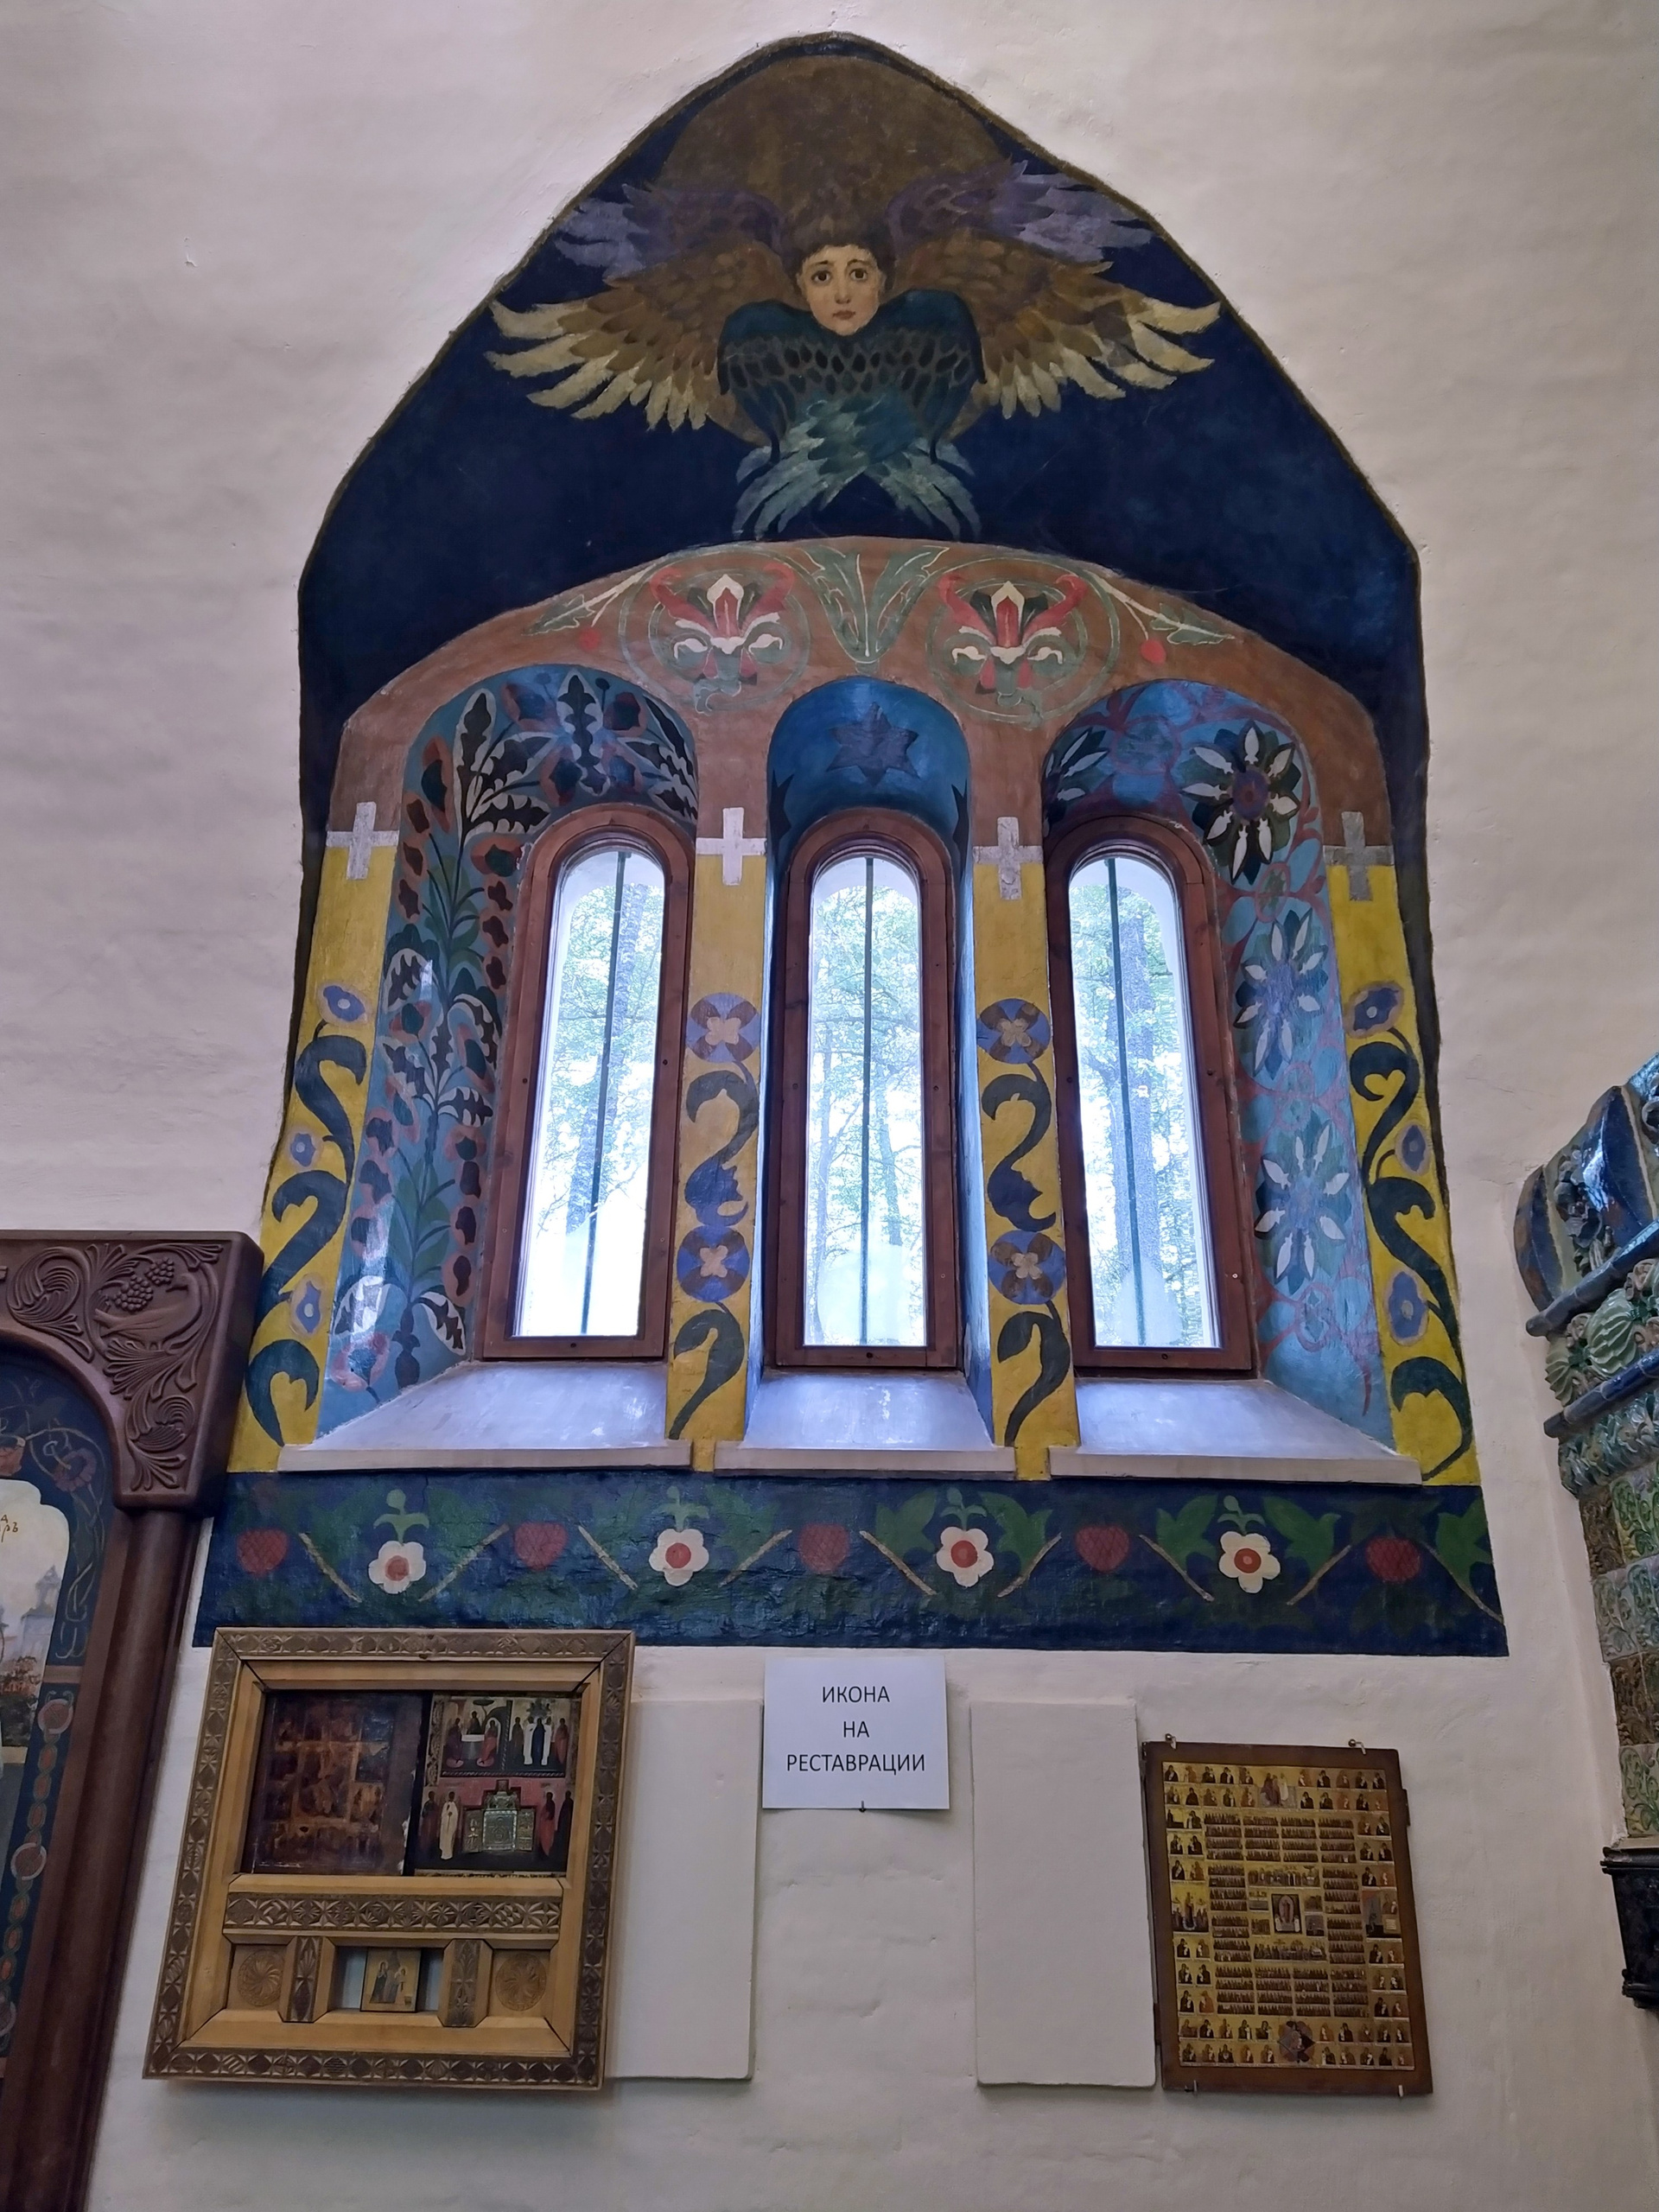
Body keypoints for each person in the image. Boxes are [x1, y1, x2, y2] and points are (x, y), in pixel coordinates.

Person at [438, 1790, 460, 1863]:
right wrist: (447, 1814)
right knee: (445, 1839)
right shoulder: (446, 1804)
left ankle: (449, 1854)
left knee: (449, 1840)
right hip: (445, 1824)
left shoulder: (454, 1805)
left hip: (450, 1825)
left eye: (453, 1796)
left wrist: (452, 1815)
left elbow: (456, 1815)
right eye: (451, 1796)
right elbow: (443, 1814)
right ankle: (443, 1854)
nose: (452, 1797)